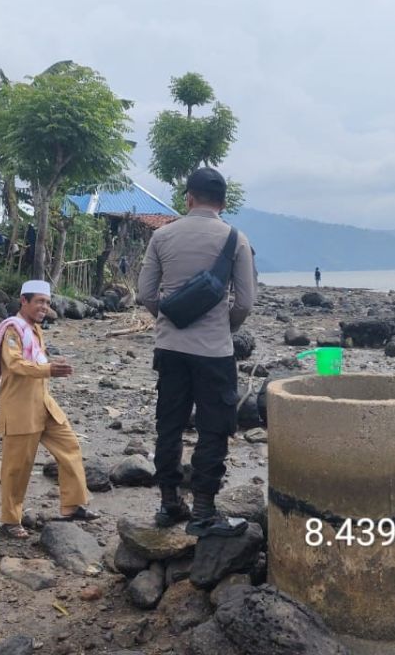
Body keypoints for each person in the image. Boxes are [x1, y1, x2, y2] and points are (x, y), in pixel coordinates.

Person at [137, 167, 257, 537]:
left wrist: (169, 318)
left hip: (170, 349)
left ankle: (169, 502)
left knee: (169, 424)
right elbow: (246, 302)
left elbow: (145, 293)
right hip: (214, 352)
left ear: (188, 198)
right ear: (223, 202)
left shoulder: (162, 236)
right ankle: (203, 510)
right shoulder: (235, 239)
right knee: (213, 428)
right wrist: (225, 326)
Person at [0, 279, 99, 538]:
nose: (44, 307)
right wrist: (49, 369)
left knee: (70, 446)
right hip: (20, 408)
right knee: (18, 466)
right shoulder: (12, 330)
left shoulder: (35, 329)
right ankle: (9, 520)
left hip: (44, 404)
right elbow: (15, 364)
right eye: (39, 301)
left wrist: (50, 365)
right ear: (23, 301)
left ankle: (72, 505)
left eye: (47, 303)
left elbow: (36, 359)